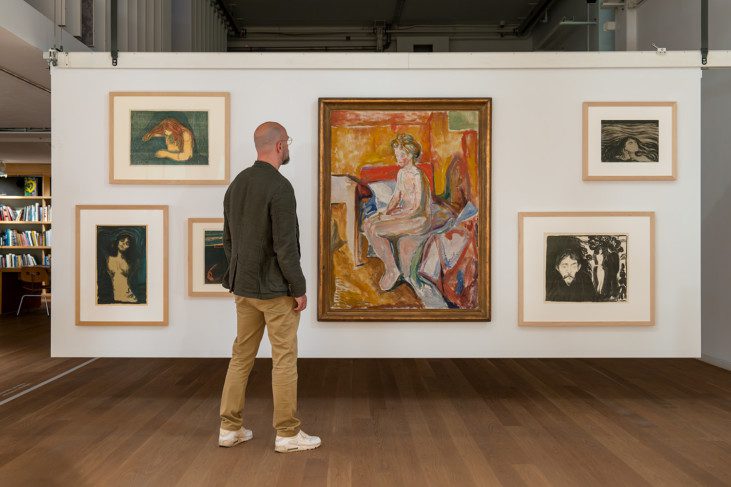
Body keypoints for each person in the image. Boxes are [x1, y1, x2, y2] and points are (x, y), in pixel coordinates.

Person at [218, 121, 321, 453]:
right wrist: (299, 287)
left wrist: (240, 275)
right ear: (279, 146)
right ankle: (288, 434)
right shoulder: (280, 187)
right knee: (284, 359)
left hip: (244, 290)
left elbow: (228, 241)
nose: (288, 147)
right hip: (276, 292)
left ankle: (229, 428)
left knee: (241, 357)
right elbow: (285, 247)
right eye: (287, 142)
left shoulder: (236, 185)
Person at [362, 133, 432, 291]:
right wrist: (385, 213)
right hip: (405, 214)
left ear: (408, 155)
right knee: (368, 223)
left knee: (377, 229)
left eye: (399, 155)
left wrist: (391, 217)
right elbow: (395, 198)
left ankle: (392, 270)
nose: (396, 158)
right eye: (396, 155)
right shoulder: (401, 174)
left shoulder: (417, 175)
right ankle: (392, 267)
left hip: (418, 219)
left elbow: (417, 208)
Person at [106, 234, 138, 303]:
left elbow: (129, 279)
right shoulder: (109, 259)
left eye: (127, 243)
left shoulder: (128, 262)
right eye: (122, 240)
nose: (124, 244)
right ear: (117, 242)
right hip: (115, 295)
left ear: (129, 247)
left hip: (129, 295)